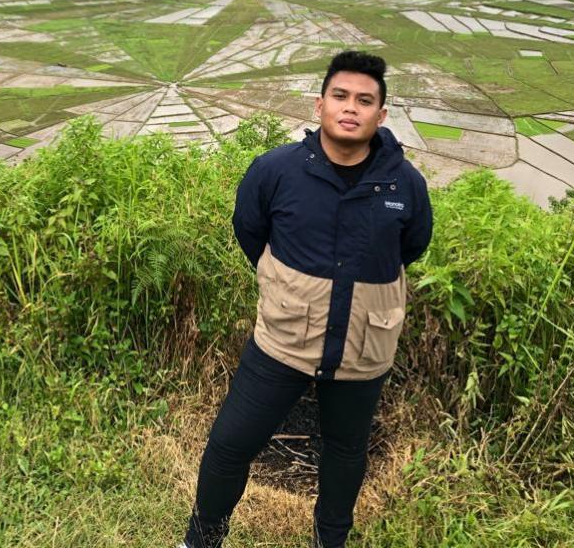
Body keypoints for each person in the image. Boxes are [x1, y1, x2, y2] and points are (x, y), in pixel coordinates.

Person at [178, 50, 433, 548]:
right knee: (229, 446)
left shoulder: (406, 184)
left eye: (364, 100)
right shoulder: (276, 171)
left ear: (381, 116)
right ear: (319, 105)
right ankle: (202, 540)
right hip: (283, 342)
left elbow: (412, 248)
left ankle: (329, 542)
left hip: (363, 351)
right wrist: (292, 289)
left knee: (344, 452)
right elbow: (250, 232)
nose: (350, 107)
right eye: (340, 96)